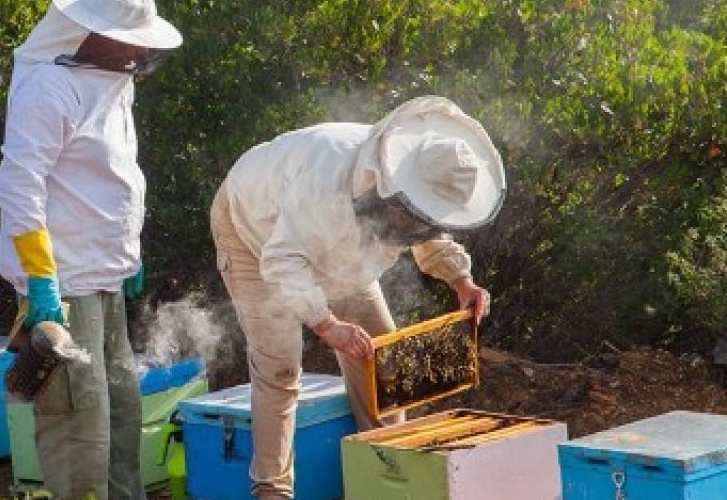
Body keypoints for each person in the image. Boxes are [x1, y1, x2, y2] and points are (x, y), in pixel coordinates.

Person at [208, 96, 505, 500]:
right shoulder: (326, 180)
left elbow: (429, 231)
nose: (423, 222)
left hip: (340, 254)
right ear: (391, 186)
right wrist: (327, 325)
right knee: (279, 368)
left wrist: (461, 280)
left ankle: (385, 473)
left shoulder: (414, 185)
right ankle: (272, 490)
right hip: (253, 234)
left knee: (381, 359)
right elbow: (281, 263)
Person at [0, 0, 182, 500]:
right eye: (133, 40)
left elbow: (117, 178)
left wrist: (129, 254)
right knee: (80, 419)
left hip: (105, 274)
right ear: (94, 34)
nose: (141, 51)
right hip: (63, 280)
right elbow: (18, 184)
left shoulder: (113, 82)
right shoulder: (48, 88)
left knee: (121, 408)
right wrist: (40, 282)